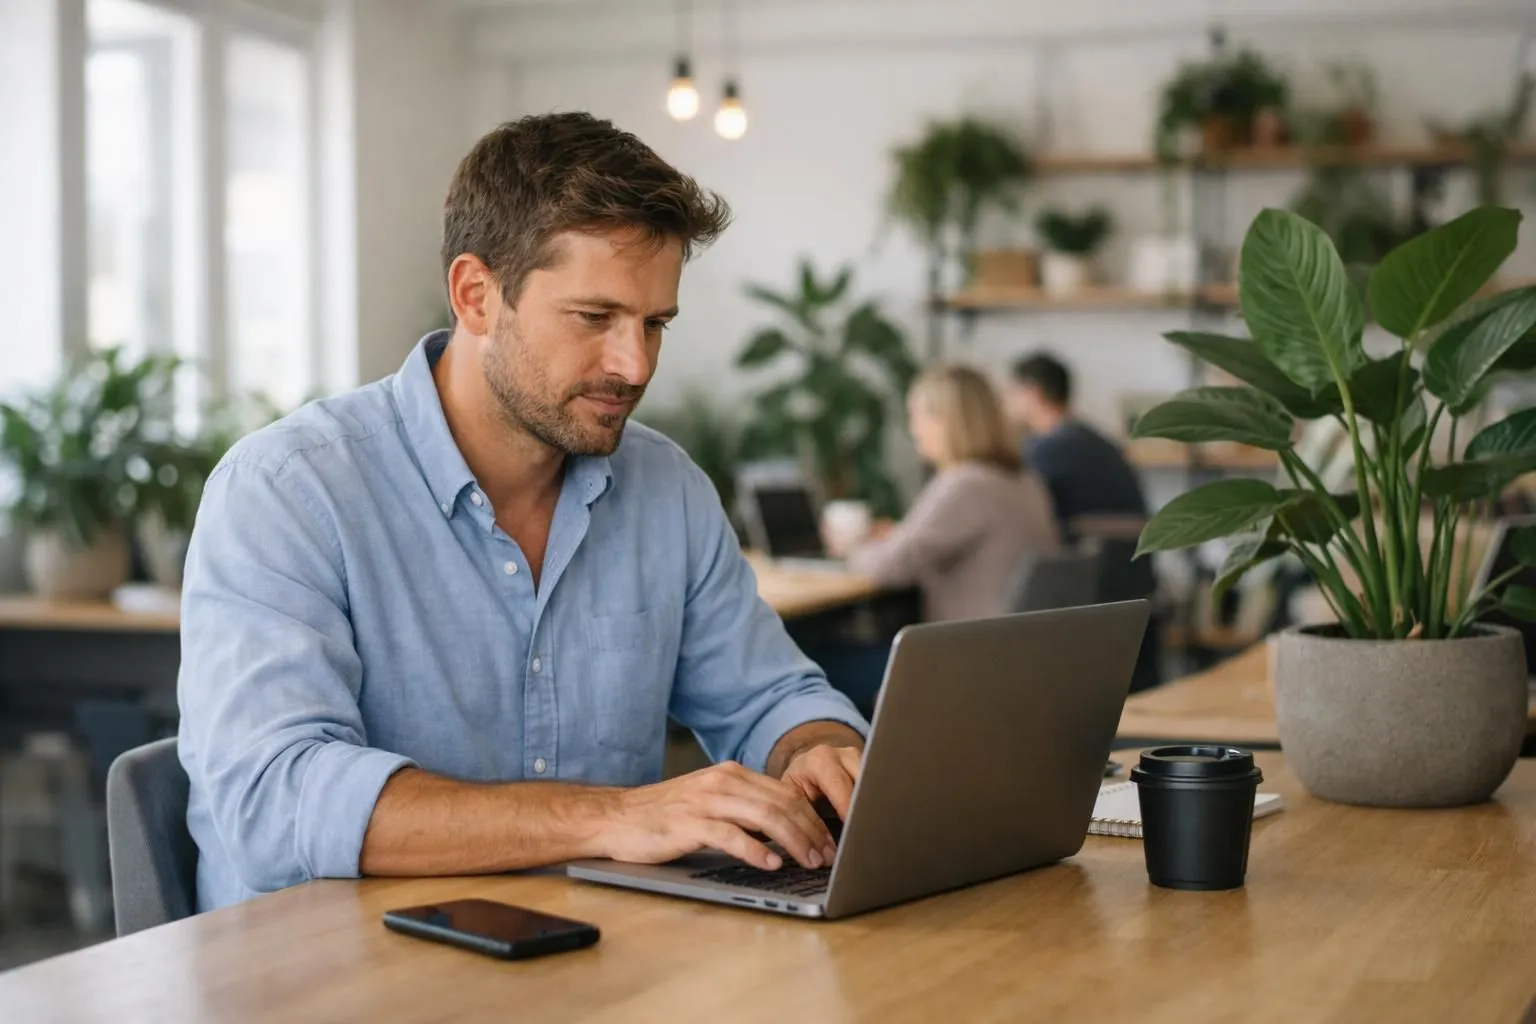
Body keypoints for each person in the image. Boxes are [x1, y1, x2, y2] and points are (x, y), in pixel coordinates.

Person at [177, 113, 869, 912]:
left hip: (585, 957)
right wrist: (614, 816)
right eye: (594, 318)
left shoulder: (666, 489)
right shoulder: (288, 490)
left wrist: (819, 749)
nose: (633, 364)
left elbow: (771, 698)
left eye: (654, 325)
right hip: (327, 977)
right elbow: (277, 799)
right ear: (477, 295)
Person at [830, 365, 1059, 623]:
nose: (912, 429)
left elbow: (892, 565)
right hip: (1016, 644)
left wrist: (852, 548)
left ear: (946, 421)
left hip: (967, 648)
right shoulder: (1025, 481)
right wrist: (898, 534)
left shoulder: (965, 485)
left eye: (916, 416)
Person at [1004, 352, 1148, 537]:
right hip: (1129, 559)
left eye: (1010, 394)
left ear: (1033, 394)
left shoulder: (1046, 450)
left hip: (1087, 559)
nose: (1005, 404)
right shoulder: (1099, 442)